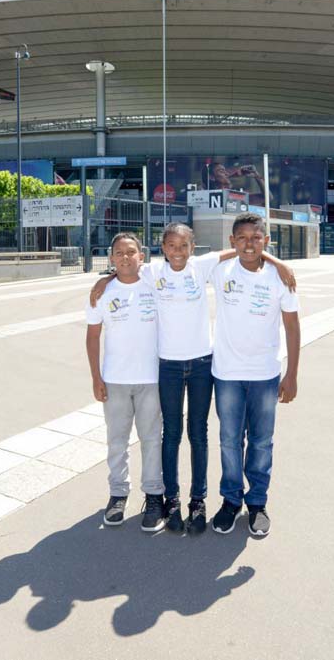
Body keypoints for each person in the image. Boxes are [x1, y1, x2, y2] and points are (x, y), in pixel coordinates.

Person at [90, 223, 295, 535]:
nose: (177, 252)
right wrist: (105, 279)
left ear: (192, 247)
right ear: (161, 249)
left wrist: (277, 261)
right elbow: (126, 267)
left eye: (183, 246)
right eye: (171, 246)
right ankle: (170, 500)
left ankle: (197, 502)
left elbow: (241, 248)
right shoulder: (152, 272)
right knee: (170, 434)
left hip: (202, 364)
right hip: (168, 367)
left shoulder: (203, 266)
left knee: (199, 434)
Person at [211, 212, 300, 537]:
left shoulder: (281, 279)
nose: (249, 244)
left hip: (265, 375)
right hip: (227, 375)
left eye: (256, 238)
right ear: (232, 242)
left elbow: (292, 326)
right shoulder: (220, 270)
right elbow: (179, 262)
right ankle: (231, 501)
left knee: (261, 442)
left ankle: (257, 502)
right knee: (229, 441)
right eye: (242, 238)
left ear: (266, 241)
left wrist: (291, 375)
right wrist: (106, 278)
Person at [84, 232, 165, 531]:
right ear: (111, 258)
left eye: (131, 252)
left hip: (152, 379)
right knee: (116, 441)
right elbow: (93, 336)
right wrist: (96, 377)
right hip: (115, 380)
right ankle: (118, 493)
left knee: (152, 440)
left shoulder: (154, 285)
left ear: (142, 256)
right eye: (119, 253)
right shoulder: (101, 293)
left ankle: (154, 495)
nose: (125, 257)